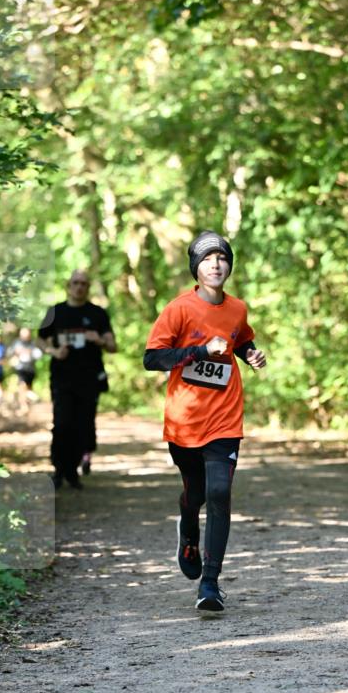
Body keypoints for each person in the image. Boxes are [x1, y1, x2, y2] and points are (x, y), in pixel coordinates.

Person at [144, 230, 266, 612]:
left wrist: (251, 355)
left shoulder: (237, 308)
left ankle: (210, 584)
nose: (216, 264)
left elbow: (241, 339)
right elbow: (152, 358)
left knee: (218, 493)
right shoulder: (178, 309)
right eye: (208, 258)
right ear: (196, 268)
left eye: (222, 258)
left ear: (229, 266)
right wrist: (198, 350)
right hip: (184, 420)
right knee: (194, 495)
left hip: (225, 418)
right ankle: (187, 530)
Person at [37, 270, 116, 490]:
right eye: (75, 283)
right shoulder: (55, 312)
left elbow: (113, 346)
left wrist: (99, 340)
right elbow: (40, 341)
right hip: (62, 378)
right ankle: (59, 469)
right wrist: (54, 351)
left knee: (83, 424)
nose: (79, 287)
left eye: (84, 283)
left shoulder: (97, 313)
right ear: (68, 285)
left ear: (88, 287)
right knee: (62, 423)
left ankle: (73, 470)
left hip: (89, 379)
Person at [8, 326, 43, 406]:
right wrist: (16, 353)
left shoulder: (33, 343)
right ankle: (25, 406)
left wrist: (30, 352)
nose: (25, 337)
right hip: (20, 368)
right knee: (22, 387)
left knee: (28, 388)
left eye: (26, 335)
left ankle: (27, 405)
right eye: (23, 335)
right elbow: (9, 353)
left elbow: (38, 355)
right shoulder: (16, 343)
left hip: (30, 369)